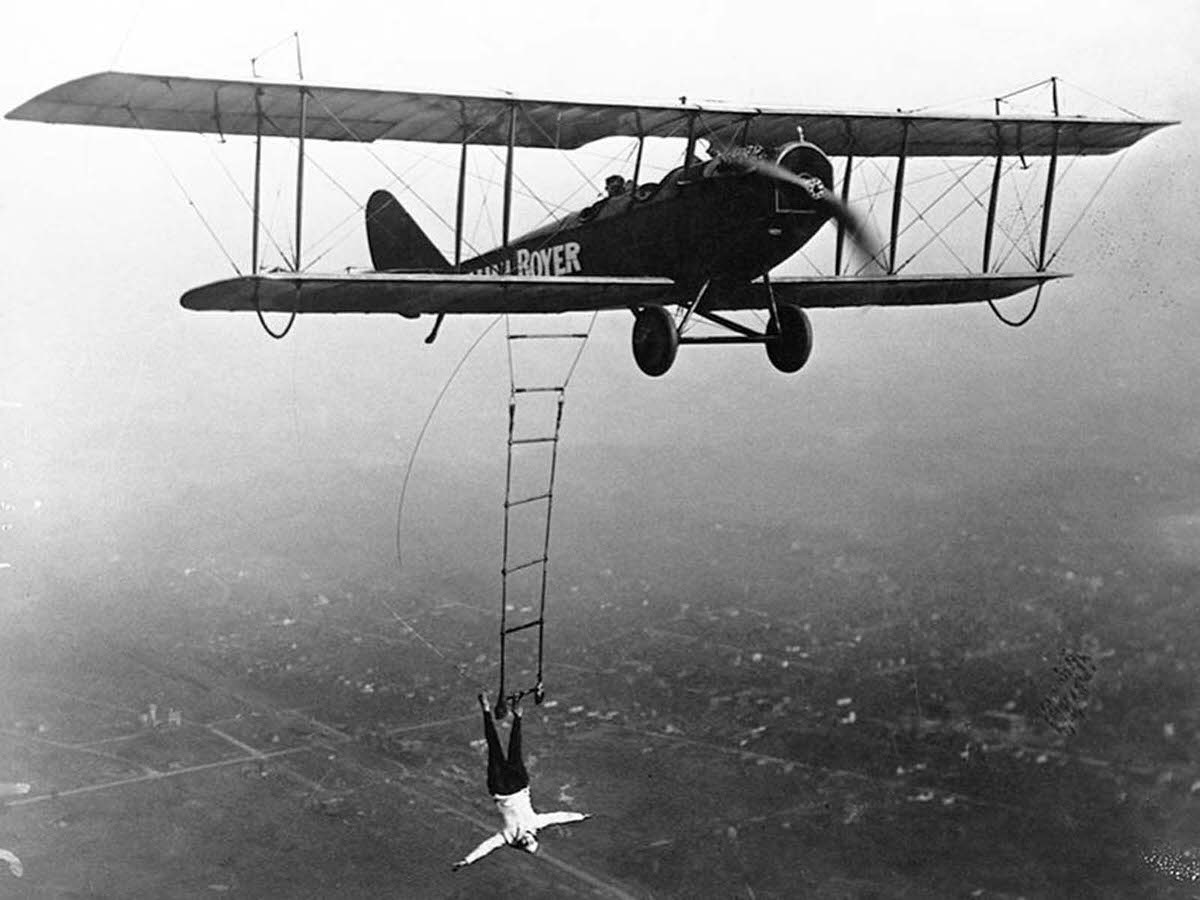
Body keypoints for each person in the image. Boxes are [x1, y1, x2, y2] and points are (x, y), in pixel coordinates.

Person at [452, 692, 591, 870]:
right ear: (534, 837)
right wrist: (580, 816)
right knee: (515, 748)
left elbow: (487, 847)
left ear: (520, 844)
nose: (526, 839)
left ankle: (486, 710)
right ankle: (517, 716)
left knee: (494, 748)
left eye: (524, 843)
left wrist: (467, 861)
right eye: (530, 840)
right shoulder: (535, 823)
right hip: (518, 785)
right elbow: (559, 817)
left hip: (501, 789)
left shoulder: (508, 836)